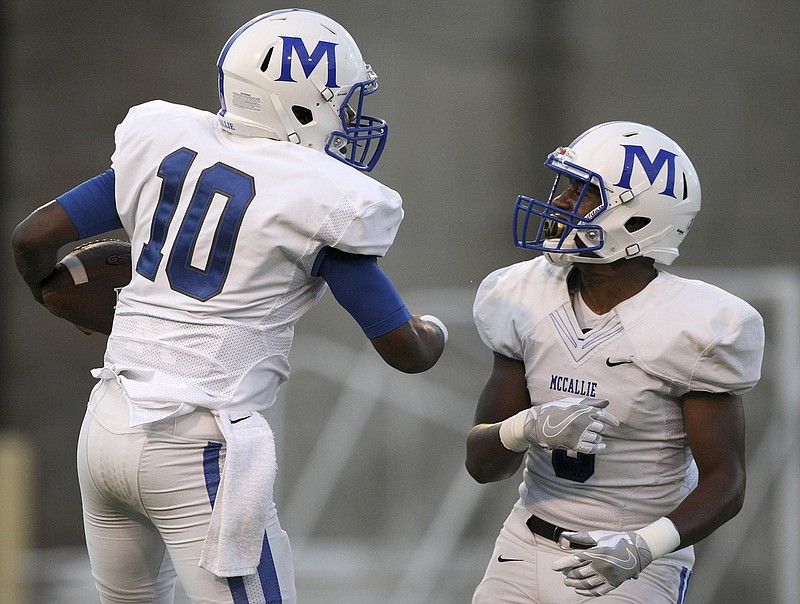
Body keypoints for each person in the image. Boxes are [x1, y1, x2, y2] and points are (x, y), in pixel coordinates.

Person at [12, 9, 446, 604]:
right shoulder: (317, 196)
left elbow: (32, 238)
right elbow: (407, 352)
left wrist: (54, 295)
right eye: (344, 102)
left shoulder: (168, 142)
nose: (351, 119)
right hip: (196, 444)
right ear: (301, 106)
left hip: (106, 427)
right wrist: (435, 333)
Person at [465, 121, 764, 603]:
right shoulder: (522, 296)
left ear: (638, 220)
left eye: (582, 193)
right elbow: (482, 464)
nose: (559, 203)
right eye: (564, 187)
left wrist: (642, 548)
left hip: (629, 563)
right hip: (522, 543)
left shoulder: (697, 325)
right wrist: (526, 427)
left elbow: (726, 481)